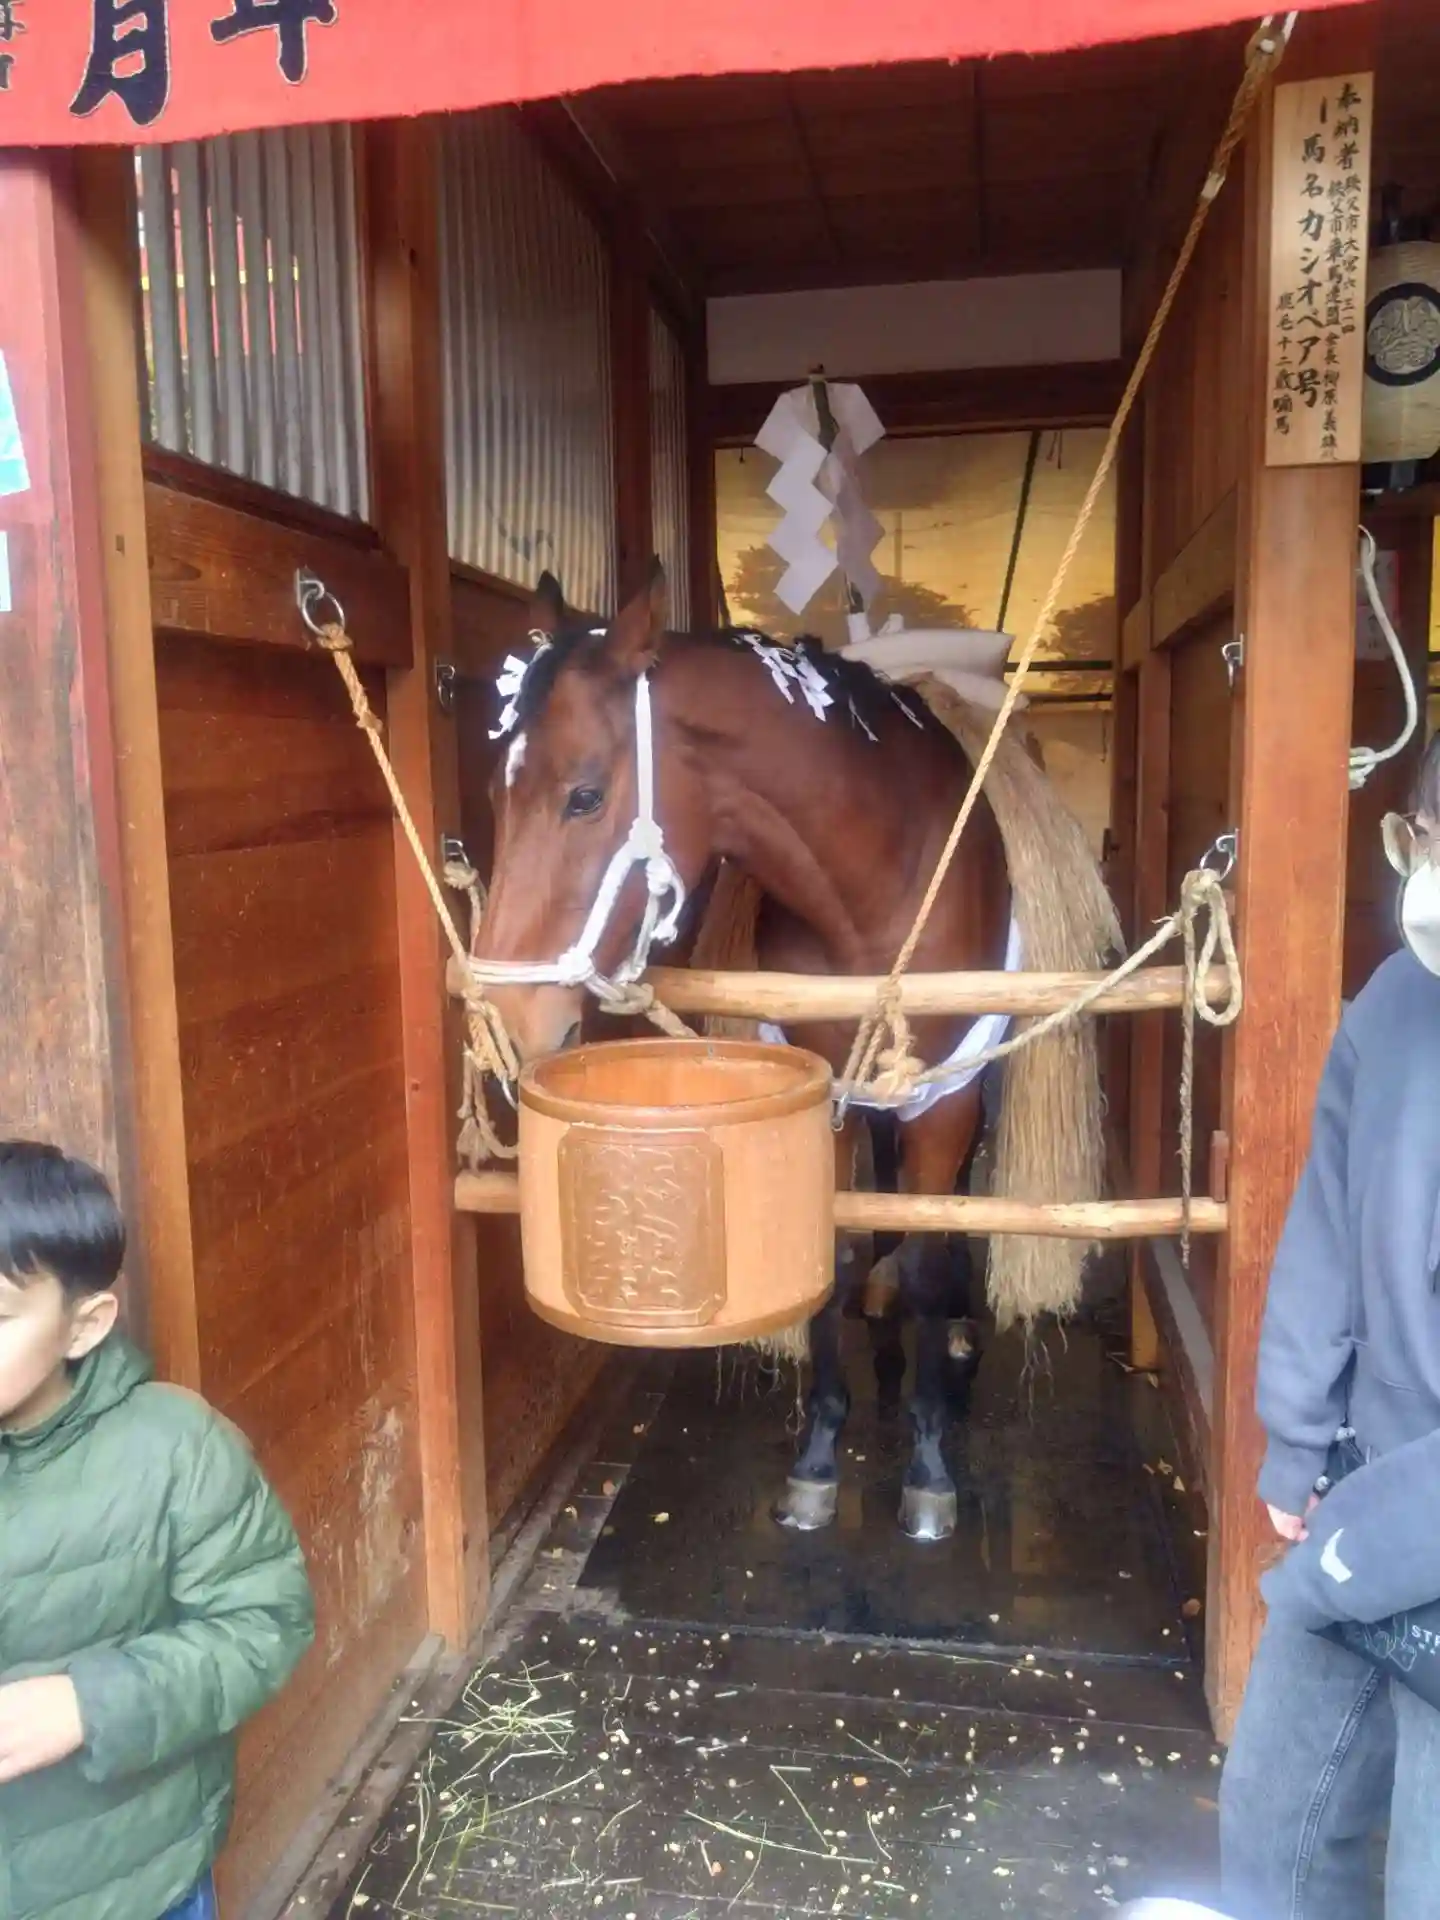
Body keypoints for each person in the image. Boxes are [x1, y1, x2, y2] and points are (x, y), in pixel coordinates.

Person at [1220, 730, 1440, 1919]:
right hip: (1358, 1483)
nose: (1429, 876)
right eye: (1423, 841)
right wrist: (1298, 1435)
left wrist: (1353, 1553)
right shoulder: (1396, 999)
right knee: (1272, 1831)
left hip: (1406, 1519)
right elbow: (1325, 1220)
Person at [0, 1140, 315, 1920]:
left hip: (129, 1880)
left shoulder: (174, 1448)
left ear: (83, 1326)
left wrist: (88, 1705)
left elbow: (263, 1624)